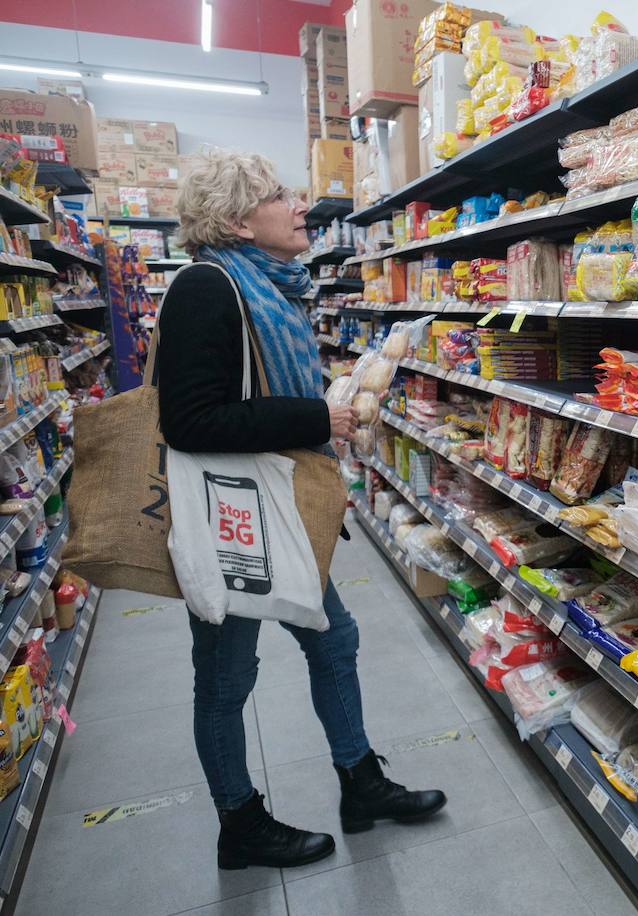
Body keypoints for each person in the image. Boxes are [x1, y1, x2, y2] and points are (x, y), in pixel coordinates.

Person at [157, 148, 446, 870]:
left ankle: (360, 782)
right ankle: (241, 822)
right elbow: (190, 422)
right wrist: (313, 417)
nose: (301, 205)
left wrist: (322, 411)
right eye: (280, 194)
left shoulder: (272, 290)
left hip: (278, 507)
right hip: (230, 519)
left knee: (333, 641)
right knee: (226, 678)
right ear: (233, 219)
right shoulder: (205, 287)